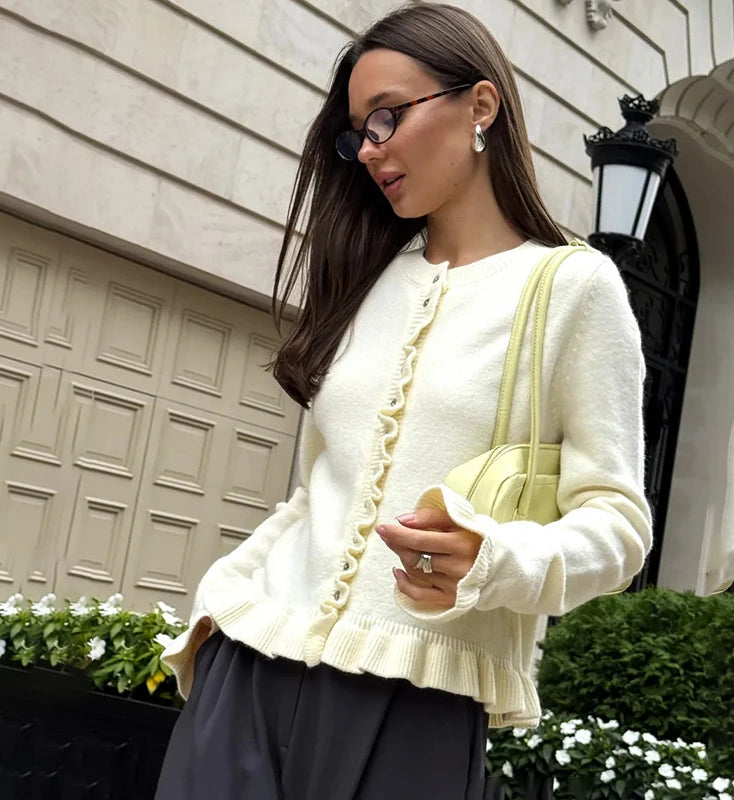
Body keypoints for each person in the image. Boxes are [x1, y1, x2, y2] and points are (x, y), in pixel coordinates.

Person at [156, 3, 652, 799]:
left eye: (387, 117)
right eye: (359, 132)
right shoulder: (369, 279)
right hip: (248, 668)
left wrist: (497, 562)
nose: (371, 151)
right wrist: (223, 602)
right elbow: (316, 492)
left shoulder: (573, 289)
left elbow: (621, 527)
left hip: (413, 702)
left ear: (480, 105)